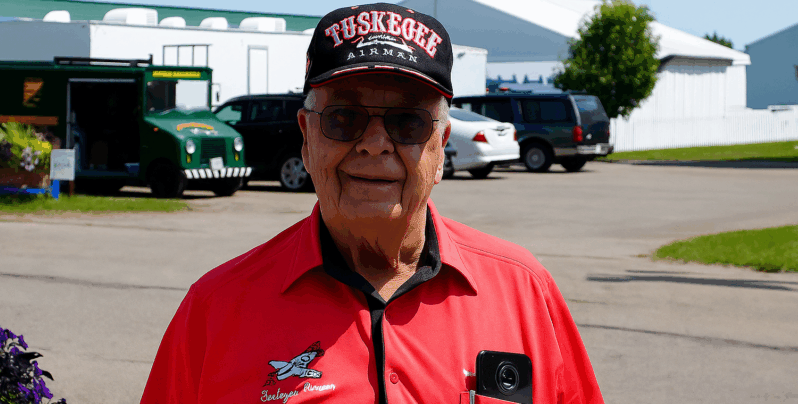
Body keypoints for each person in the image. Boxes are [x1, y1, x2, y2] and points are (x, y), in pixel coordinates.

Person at [140, 3, 603, 403]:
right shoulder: (216, 309)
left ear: (441, 146)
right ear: (306, 138)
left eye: (407, 122)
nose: (375, 143)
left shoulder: (524, 291)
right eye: (344, 118)